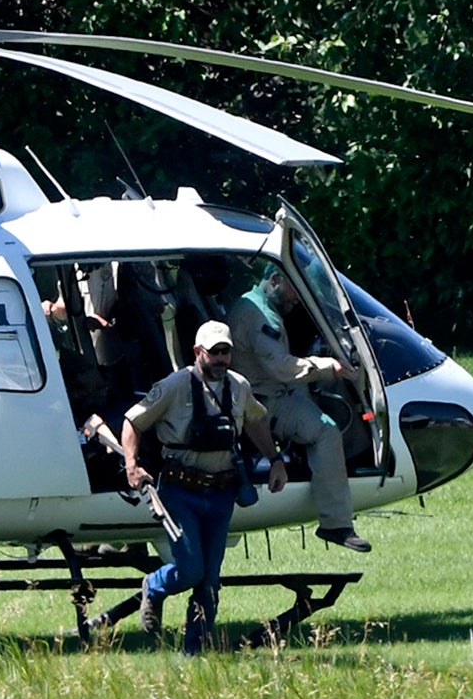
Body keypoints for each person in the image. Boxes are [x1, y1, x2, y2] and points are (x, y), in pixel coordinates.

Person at [121, 320, 289, 653]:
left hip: (221, 494)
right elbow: (133, 421)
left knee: (210, 580)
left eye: (226, 352)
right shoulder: (174, 386)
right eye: (214, 353)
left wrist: (276, 459)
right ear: (198, 352)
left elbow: (256, 420)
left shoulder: (239, 387)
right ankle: (154, 587)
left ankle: (193, 653)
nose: (221, 359)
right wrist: (132, 465)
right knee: (190, 570)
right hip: (179, 492)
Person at [225, 266, 370, 552]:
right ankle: (336, 524)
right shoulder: (259, 315)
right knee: (326, 430)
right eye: (294, 289)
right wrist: (331, 367)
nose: (297, 298)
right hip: (265, 401)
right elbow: (282, 368)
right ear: (275, 280)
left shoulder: (254, 304)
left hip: (276, 389)